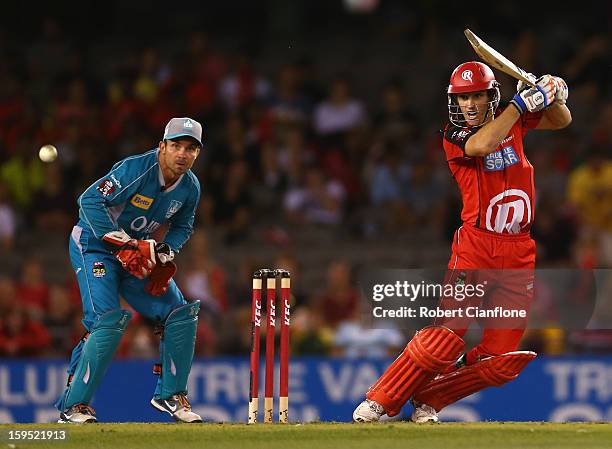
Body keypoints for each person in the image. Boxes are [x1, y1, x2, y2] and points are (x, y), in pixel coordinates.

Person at [353, 61, 572, 423]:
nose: (469, 105)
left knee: (500, 361)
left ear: (491, 97)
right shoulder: (454, 135)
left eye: (476, 96)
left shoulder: (512, 117)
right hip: (476, 247)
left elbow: (562, 120)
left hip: (519, 251)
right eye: (463, 97)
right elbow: (484, 144)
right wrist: (521, 104)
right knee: (447, 338)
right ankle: (381, 399)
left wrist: (553, 92)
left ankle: (429, 399)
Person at [54, 117, 204, 424]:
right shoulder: (136, 169)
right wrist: (121, 242)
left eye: (190, 148)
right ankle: (74, 406)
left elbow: (183, 225)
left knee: (180, 314)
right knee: (107, 321)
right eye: (176, 145)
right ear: (162, 146)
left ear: (197, 153)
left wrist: (165, 252)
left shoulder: (190, 187)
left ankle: (170, 395)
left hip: (137, 254)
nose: (182, 154)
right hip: (95, 246)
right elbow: (90, 199)